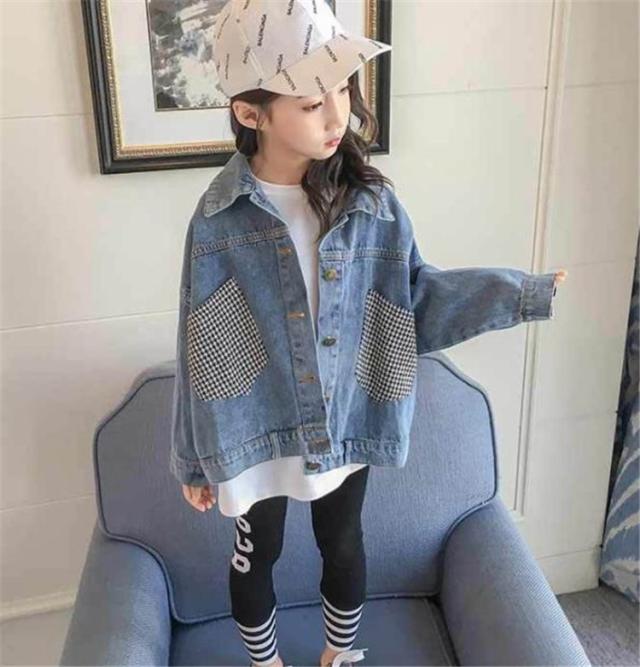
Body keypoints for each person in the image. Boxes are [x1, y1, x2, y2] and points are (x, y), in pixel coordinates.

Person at [174, 1, 569, 666]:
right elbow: (199, 341)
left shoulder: (371, 202)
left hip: (344, 415)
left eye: (342, 91)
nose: (337, 117)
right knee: (257, 551)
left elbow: (415, 302)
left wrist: (516, 294)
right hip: (253, 422)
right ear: (250, 112)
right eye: (311, 103)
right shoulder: (218, 218)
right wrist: (191, 456)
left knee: (345, 541)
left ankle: (339, 655)